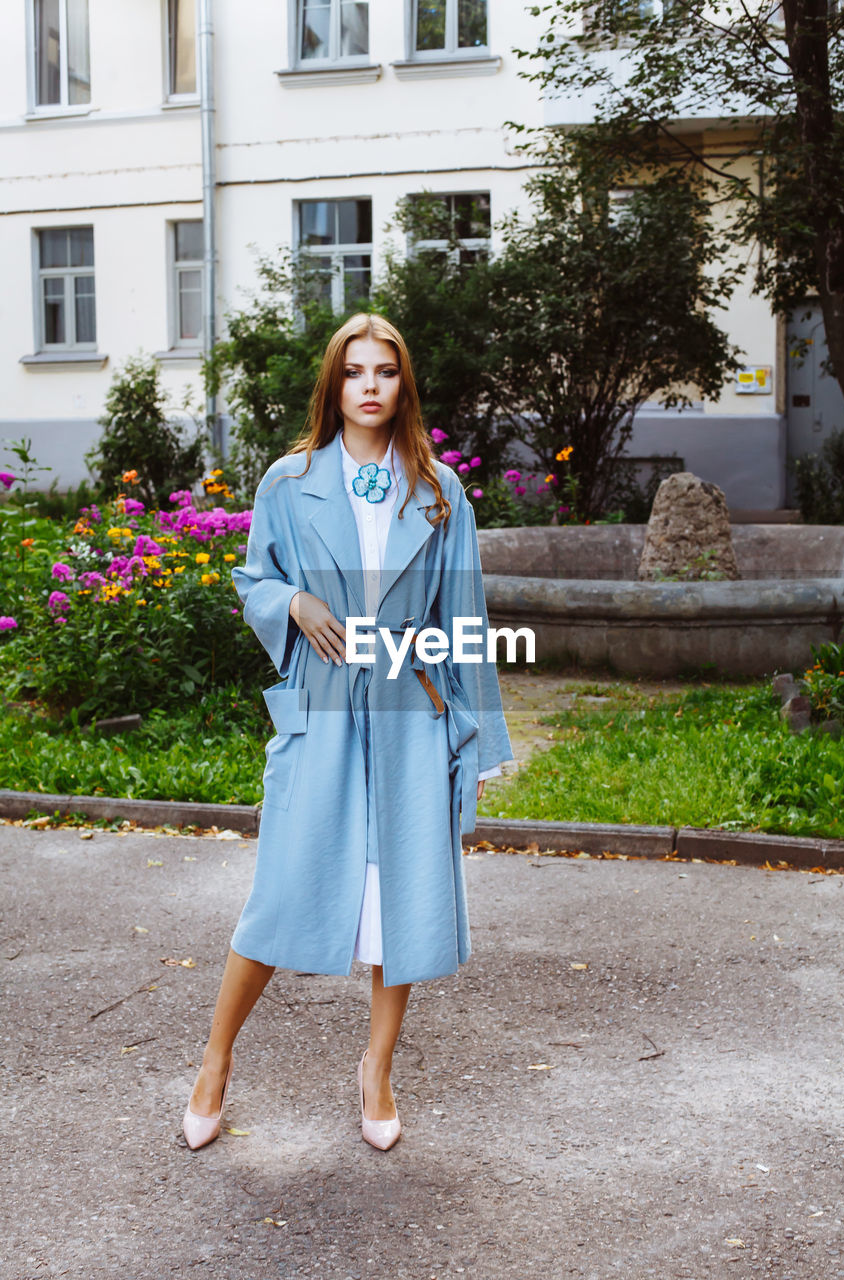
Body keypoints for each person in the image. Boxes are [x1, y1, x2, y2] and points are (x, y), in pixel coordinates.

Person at [182, 313, 513, 1153]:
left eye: (386, 372)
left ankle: (376, 1069)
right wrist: (292, 602)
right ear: (333, 384)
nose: (370, 386)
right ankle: (216, 1061)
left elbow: (463, 616)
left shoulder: (439, 491)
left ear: (404, 386)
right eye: (354, 371)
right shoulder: (288, 483)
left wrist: (474, 740)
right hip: (323, 709)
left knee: (396, 900)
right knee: (281, 894)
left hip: (410, 711)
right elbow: (256, 577)